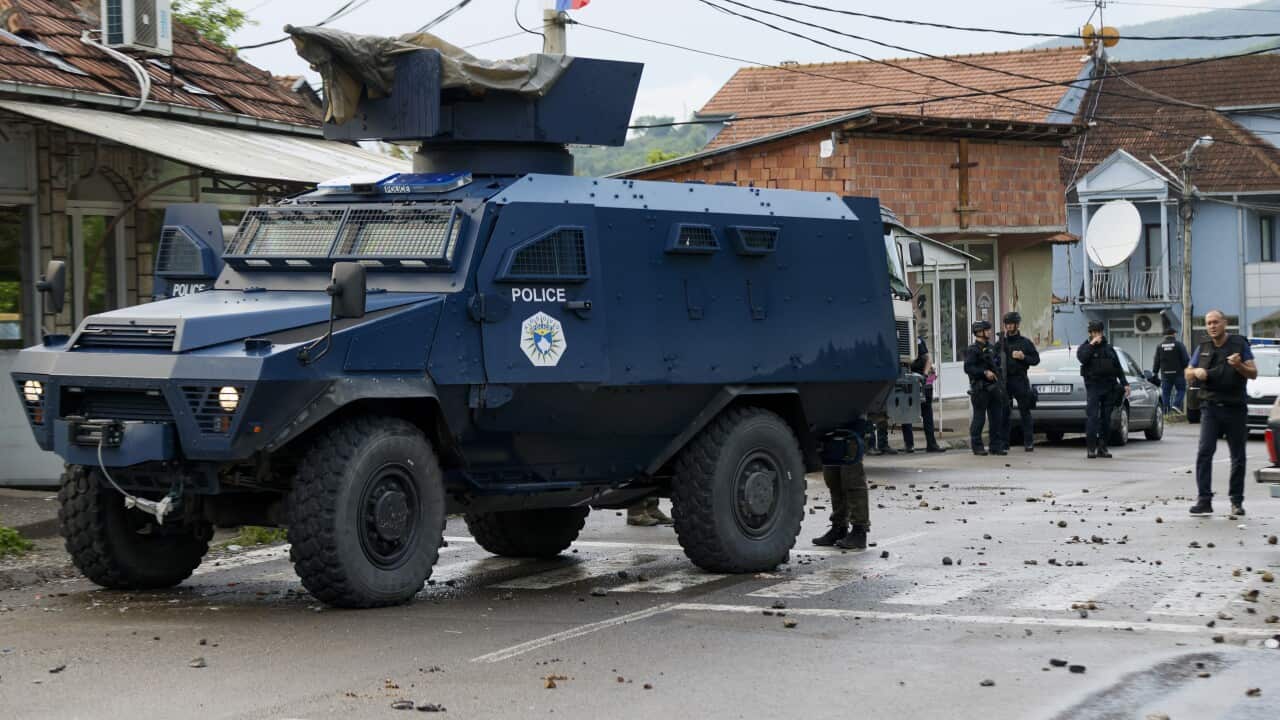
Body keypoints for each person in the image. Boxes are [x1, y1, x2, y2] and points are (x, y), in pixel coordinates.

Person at [1185, 310, 1257, 516]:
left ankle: (1236, 501)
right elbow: (1187, 372)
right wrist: (1194, 372)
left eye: (1216, 322)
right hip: (1210, 408)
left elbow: (1253, 373)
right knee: (1205, 452)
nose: (1212, 326)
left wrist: (1239, 365)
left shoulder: (1239, 345)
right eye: (1208, 323)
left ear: (1224, 323)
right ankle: (1204, 500)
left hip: (1235, 408)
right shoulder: (1203, 347)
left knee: (1238, 456)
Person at [811, 424, 870, 550]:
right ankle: (839, 527)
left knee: (852, 481)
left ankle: (859, 530)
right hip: (830, 432)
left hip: (851, 429)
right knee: (833, 480)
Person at [1077, 320, 1129, 459]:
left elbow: (1118, 367)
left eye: (1098, 332)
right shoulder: (1085, 347)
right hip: (1093, 386)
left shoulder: (1109, 348)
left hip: (1109, 387)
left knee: (1106, 419)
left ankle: (1103, 447)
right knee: (1093, 417)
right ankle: (1091, 448)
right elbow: (1082, 358)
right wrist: (1092, 344)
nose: (1097, 335)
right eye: (1094, 332)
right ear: (1090, 333)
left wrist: (1125, 384)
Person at [994, 311, 1041, 452]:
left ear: (1017, 325)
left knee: (1025, 411)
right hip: (1005, 381)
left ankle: (1028, 442)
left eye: (1011, 324)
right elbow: (993, 360)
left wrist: (1023, 357)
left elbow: (1036, 359)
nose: (1009, 327)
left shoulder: (1025, 343)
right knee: (1004, 412)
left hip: (1020, 379)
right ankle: (1004, 443)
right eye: (1006, 324)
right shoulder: (1001, 343)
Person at [963, 320, 1005, 456]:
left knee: (996, 418)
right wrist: (984, 373)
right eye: (987, 330)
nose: (989, 332)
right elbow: (968, 368)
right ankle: (977, 446)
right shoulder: (973, 350)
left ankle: (995, 446)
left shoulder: (991, 348)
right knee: (979, 419)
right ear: (979, 332)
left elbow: (998, 365)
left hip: (994, 388)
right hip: (980, 389)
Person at [904, 350, 946, 453]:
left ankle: (930, 444)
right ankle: (910, 445)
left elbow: (928, 357)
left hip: (922, 383)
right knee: (907, 414)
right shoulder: (905, 338)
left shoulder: (918, 341)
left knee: (926, 414)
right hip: (909, 382)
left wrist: (925, 375)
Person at [1151, 328, 1190, 413]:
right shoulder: (1179, 345)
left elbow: (1156, 360)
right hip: (1178, 374)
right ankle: (1176, 405)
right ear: (1174, 334)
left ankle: (1166, 412)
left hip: (1165, 375)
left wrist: (1155, 372)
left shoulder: (1160, 346)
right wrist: (1185, 368)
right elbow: (1185, 359)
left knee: (1166, 393)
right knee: (1181, 390)